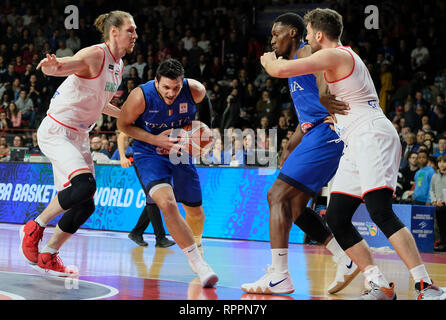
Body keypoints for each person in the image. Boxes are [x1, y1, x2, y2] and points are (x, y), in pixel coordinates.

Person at [259, 7, 445, 300]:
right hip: (352, 140)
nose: (306, 39)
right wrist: (321, 95)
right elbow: (318, 77)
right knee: (336, 216)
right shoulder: (328, 60)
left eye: (308, 33)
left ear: (319, 35)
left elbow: (279, 69)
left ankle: (426, 285)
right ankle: (379, 284)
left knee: (380, 211)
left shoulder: (338, 54)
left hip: (372, 134)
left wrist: (268, 60)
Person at [241, 12, 358, 296]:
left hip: (326, 134)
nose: (272, 40)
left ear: (292, 33)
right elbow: (306, 115)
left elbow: (322, 78)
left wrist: (323, 94)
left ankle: (280, 275)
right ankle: (345, 260)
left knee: (276, 196)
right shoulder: (296, 67)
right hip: (313, 134)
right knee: (293, 208)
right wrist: (290, 146)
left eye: (275, 34)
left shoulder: (307, 51)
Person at [19, 10, 138, 277]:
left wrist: (130, 117)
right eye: (130, 30)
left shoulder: (118, 67)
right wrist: (52, 65)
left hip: (79, 136)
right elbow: (63, 65)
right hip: (57, 130)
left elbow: (101, 103)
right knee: (85, 184)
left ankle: (49, 254)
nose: (135, 35)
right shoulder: (95, 54)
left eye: (135, 30)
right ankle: (35, 226)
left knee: (86, 203)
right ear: (114, 32)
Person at [117, 58, 218, 288]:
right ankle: (198, 263)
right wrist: (154, 139)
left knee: (196, 211)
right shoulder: (140, 96)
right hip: (149, 153)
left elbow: (205, 115)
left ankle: (197, 244)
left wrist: (203, 136)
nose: (171, 93)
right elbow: (123, 126)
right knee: (167, 203)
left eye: (176, 87)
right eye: (166, 87)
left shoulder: (195, 90)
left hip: (180, 150)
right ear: (156, 82)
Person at [116, 131, 175, 248]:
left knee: (157, 198)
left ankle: (137, 232)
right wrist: (122, 157)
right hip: (143, 160)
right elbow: (122, 136)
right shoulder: (141, 116)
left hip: (160, 160)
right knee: (153, 197)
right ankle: (160, 237)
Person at [429, 155, 446, 252]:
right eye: (440, 162)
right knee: (440, 225)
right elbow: (432, 190)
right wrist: (434, 200)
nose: (442, 164)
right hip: (438, 205)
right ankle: (443, 243)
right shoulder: (434, 176)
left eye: (444, 162)